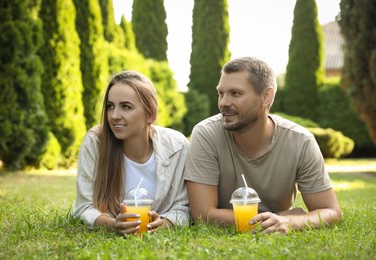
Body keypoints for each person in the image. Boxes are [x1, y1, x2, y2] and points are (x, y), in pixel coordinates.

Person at [184, 56, 342, 234]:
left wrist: (293, 223)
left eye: (235, 93)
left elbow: (331, 211)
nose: (223, 103)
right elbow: (202, 215)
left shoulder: (300, 141)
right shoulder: (206, 134)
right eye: (221, 93)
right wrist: (280, 217)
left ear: (266, 96)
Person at [73, 70, 190, 235]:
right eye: (110, 106)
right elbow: (83, 207)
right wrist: (111, 224)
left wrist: (165, 223)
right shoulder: (95, 143)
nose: (114, 116)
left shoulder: (177, 146)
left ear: (150, 115)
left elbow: (184, 207)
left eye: (126, 107)